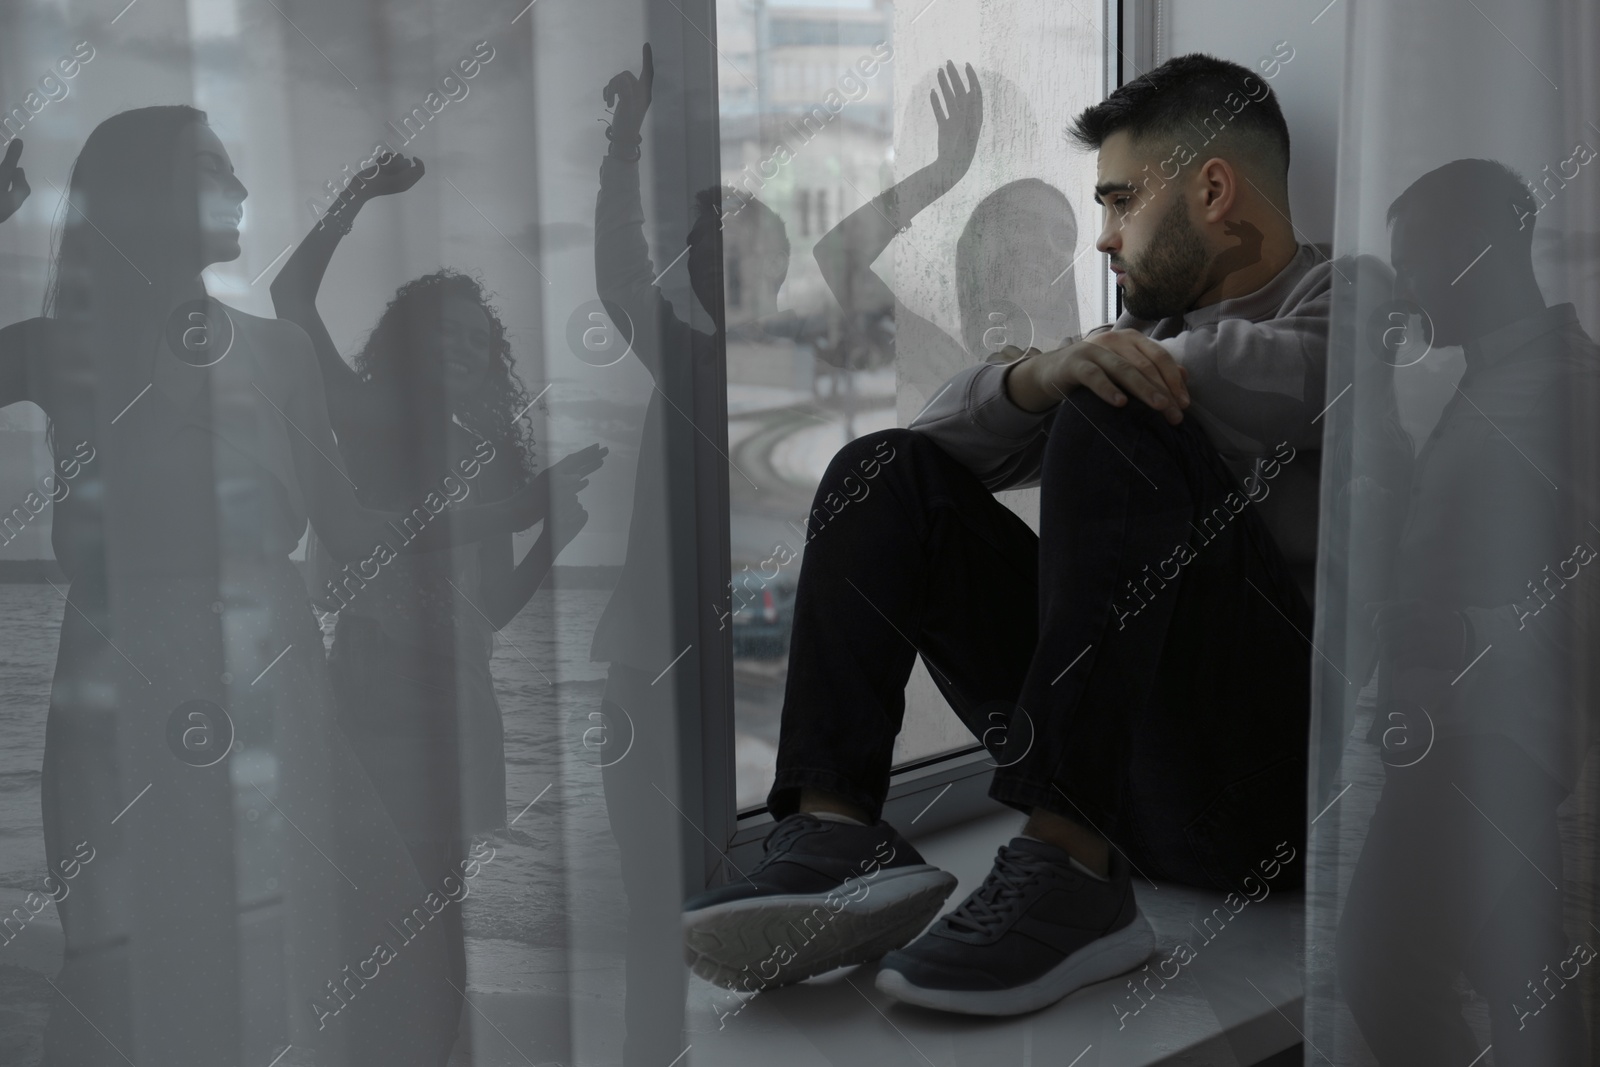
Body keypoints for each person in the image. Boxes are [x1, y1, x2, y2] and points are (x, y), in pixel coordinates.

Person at [682, 52, 1347, 1015]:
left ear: (1212, 188)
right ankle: (835, 829)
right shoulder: (1137, 344)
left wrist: (1097, 371)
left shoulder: (1353, 304)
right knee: (882, 471)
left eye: (1119, 202)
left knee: (1114, 412)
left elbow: (1292, 379)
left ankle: (1071, 868)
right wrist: (1041, 374)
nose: (1106, 240)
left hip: (1263, 800)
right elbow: (935, 443)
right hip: (1129, 779)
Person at [0, 109, 544, 1066]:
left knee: (385, 951)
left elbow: (348, 528)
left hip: (276, 687)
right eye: (210, 167)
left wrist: (502, 509)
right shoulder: (60, 347)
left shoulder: (280, 354)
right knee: (143, 963)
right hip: (125, 695)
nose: (242, 189)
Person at [268, 152, 604, 1063]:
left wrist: (552, 536)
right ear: (405, 344)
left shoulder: (489, 457)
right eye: (443, 336)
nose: (462, 352)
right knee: (381, 910)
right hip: (375, 685)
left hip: (462, 698)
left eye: (476, 342)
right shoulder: (371, 412)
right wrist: (353, 196)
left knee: (439, 907)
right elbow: (288, 300)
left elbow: (487, 609)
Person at [1335, 158, 1597, 1065]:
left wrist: (1463, 634)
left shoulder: (1569, 386)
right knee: (1529, 985)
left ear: (1480, 254)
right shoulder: (1488, 383)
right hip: (1461, 734)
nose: (1402, 285)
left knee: (1379, 964)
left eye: (1414, 263)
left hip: (1490, 744)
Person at [589, 45, 792, 1065]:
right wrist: (622, 139)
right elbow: (618, 268)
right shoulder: (687, 358)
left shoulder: (798, 387)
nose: (707, 251)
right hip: (647, 671)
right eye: (700, 237)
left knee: (741, 910)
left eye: (732, 239)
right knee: (650, 913)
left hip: (755, 680)